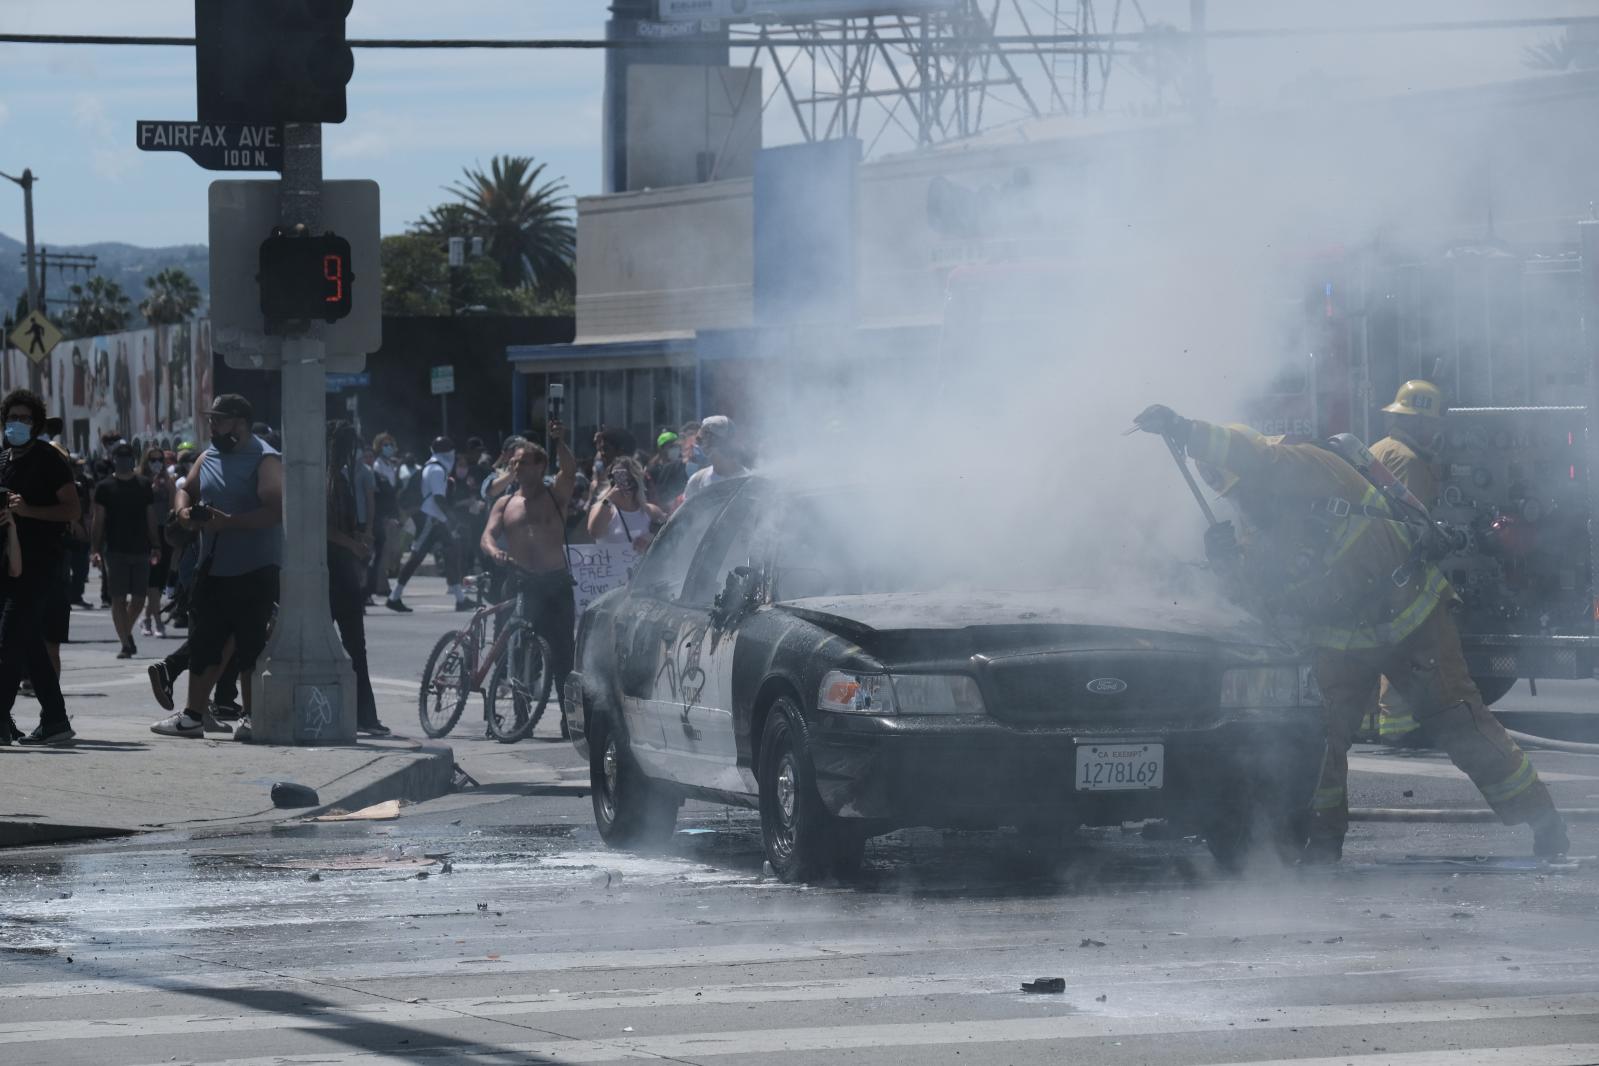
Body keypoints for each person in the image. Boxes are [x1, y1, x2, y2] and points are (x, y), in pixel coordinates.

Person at [1131, 403, 1570, 861]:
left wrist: (1187, 430)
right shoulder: (1255, 532)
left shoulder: (1302, 466)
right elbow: (1263, 604)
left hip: (1412, 619)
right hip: (1341, 641)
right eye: (1236, 498)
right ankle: (1321, 846)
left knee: (1461, 723)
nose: (1245, 504)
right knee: (1321, 741)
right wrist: (1227, 564)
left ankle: (1543, 822)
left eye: (1244, 491)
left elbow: (1247, 453)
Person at [151, 394, 283, 740]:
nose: (212, 425)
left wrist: (231, 522)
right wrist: (182, 511)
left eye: (218, 419)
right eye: (211, 419)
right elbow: (186, 490)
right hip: (212, 568)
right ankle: (193, 716)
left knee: (250, 646)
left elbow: (274, 510)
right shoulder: (208, 456)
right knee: (205, 642)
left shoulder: (265, 458)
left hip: (255, 569)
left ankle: (252, 719)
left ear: (240, 422)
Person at [1365, 380, 1447, 746]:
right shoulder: (1411, 462)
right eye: (1430, 423)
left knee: (1369, 642)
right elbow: (1414, 521)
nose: (1434, 430)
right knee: (1407, 642)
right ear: (1417, 423)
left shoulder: (1379, 449)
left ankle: (1369, 721)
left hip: (1365, 563)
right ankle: (1398, 728)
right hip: (1396, 567)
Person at [480, 422, 578, 722]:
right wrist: (494, 551)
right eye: (513, 463)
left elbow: (570, 470)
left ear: (540, 466)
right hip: (520, 580)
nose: (516, 467)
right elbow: (487, 535)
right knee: (517, 649)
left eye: (522, 462)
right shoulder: (505, 502)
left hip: (555, 582)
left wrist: (559, 441)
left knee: (563, 654)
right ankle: (519, 716)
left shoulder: (555, 494)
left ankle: (568, 718)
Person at [0, 388, 80, 745]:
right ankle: (56, 719)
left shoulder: (48, 459)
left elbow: (72, 510)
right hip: (7, 562)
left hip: (40, 562)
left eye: (24, 418)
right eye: (12, 418)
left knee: (9, 642)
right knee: (29, 643)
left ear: (36, 424)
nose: (17, 424)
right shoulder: (4, 459)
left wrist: (28, 510)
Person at [326, 421, 389, 737]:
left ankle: (364, 715)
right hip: (331, 572)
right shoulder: (327, 479)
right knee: (349, 647)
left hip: (342, 570)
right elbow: (321, 527)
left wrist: (358, 539)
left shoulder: (338, 478)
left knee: (354, 647)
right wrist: (353, 543)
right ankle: (361, 715)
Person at [91, 442, 159, 658]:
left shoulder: (143, 484)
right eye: (119, 456)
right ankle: (126, 643)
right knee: (118, 598)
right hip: (115, 549)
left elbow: (151, 516)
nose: (123, 460)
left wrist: (156, 543)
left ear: (133, 458)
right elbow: (98, 520)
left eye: (127, 456)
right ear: (113, 459)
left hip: (141, 549)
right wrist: (95, 549)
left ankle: (125, 633)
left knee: (139, 599)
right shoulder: (105, 487)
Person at [387, 436, 466, 613]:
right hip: (431, 519)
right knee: (416, 557)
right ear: (448, 452)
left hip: (436, 519)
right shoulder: (437, 470)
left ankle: (460, 599)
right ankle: (394, 597)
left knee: (452, 551)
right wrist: (451, 517)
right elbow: (439, 498)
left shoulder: (434, 467)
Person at [587, 454, 664, 556]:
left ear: (635, 481)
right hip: (610, 570)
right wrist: (608, 499)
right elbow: (595, 532)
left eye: (628, 478)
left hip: (641, 570)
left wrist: (651, 537)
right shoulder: (602, 509)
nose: (622, 482)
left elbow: (669, 533)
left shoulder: (650, 511)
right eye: (616, 476)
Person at [141, 446, 174, 640]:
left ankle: (146, 618)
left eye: (159, 459)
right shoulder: (141, 480)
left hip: (165, 532)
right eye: (152, 460)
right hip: (147, 534)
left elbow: (172, 506)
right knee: (152, 580)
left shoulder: (167, 480)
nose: (156, 463)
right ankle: (157, 622)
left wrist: (168, 487)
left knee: (159, 580)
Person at [368, 432, 402, 600]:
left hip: (392, 511)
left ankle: (381, 583)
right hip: (384, 513)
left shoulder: (390, 465)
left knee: (391, 550)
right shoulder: (378, 465)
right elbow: (381, 492)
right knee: (384, 549)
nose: (388, 447)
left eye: (390, 444)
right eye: (385, 444)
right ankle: (381, 585)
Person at [683, 415, 749, 500]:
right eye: (701, 440)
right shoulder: (697, 481)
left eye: (708, 440)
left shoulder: (747, 480)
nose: (703, 446)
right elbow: (688, 511)